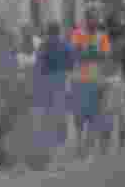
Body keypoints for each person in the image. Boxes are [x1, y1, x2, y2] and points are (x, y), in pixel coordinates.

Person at [71, 10, 112, 156]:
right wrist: (93, 54)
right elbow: (76, 55)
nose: (93, 22)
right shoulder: (78, 34)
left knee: (94, 114)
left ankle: (87, 144)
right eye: (91, 19)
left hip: (96, 80)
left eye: (95, 19)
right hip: (79, 80)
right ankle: (79, 142)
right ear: (86, 20)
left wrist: (87, 53)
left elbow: (105, 57)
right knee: (79, 115)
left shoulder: (103, 37)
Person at [36, 23, 76, 153]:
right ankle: (60, 137)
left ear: (48, 32)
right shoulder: (65, 45)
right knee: (61, 109)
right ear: (58, 32)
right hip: (61, 78)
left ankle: (47, 136)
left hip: (47, 79)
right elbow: (71, 63)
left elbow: (39, 63)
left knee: (48, 109)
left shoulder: (44, 45)